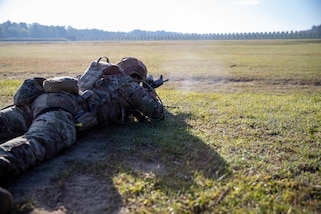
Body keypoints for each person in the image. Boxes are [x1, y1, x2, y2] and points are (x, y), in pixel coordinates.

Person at [0, 57, 164, 213]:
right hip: (60, 111)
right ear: (138, 77)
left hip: (39, 100)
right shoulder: (129, 85)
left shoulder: (98, 74)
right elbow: (157, 114)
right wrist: (147, 94)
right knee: (35, 143)